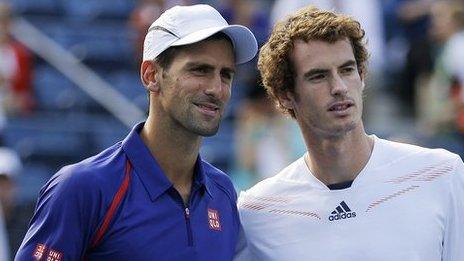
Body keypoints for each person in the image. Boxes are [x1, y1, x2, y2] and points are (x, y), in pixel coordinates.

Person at [16, 4, 257, 260]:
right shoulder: (82, 187)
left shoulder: (222, 192)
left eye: (226, 75)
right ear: (151, 75)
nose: (216, 89)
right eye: (200, 70)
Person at [235, 5, 463, 261]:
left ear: (362, 76)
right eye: (318, 76)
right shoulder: (257, 212)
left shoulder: (442, 173)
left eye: (347, 69)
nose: (339, 87)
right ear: (285, 95)